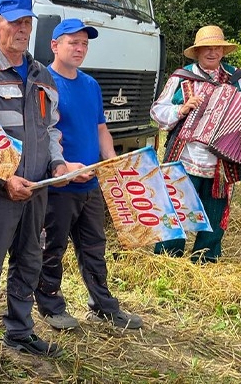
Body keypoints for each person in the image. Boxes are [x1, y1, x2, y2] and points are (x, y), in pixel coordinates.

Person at [0, 0, 81, 381]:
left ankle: (20, 330)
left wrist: (60, 166)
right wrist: (4, 178)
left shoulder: (44, 76)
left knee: (29, 262)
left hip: (38, 192)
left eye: (27, 22)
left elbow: (50, 131)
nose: (22, 29)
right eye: (14, 22)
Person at [36, 18, 144, 330]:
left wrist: (111, 161)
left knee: (95, 247)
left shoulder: (91, 85)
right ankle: (50, 305)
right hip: (59, 186)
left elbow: (100, 129)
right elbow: (42, 133)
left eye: (84, 43)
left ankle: (103, 305)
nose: (80, 48)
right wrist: (65, 169)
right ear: (55, 45)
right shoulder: (44, 81)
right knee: (51, 248)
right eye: (73, 42)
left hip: (91, 184)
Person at [149, 25, 241, 263]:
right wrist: (181, 108)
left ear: (223, 51)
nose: (212, 52)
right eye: (206, 48)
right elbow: (157, 111)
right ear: (197, 52)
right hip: (185, 157)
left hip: (221, 162)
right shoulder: (181, 77)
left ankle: (205, 257)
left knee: (215, 210)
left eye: (217, 47)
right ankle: (167, 256)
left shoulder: (238, 79)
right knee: (176, 205)